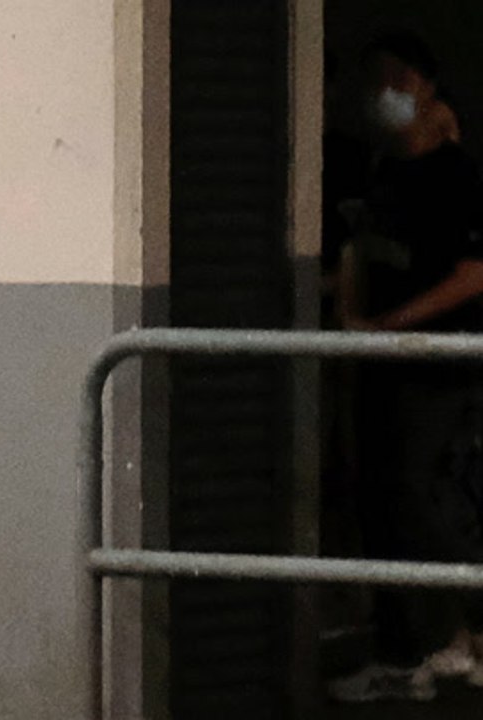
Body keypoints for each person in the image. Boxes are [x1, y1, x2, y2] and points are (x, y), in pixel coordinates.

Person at [329, 31, 483, 704]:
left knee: (426, 501)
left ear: (425, 86)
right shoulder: (384, 172)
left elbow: (473, 275)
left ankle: (466, 636)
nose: (380, 95)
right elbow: (362, 253)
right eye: (373, 81)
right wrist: (352, 323)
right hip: (377, 364)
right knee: (379, 504)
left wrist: (390, 329)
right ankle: (402, 652)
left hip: (436, 369)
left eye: (394, 79)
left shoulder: (459, 177)